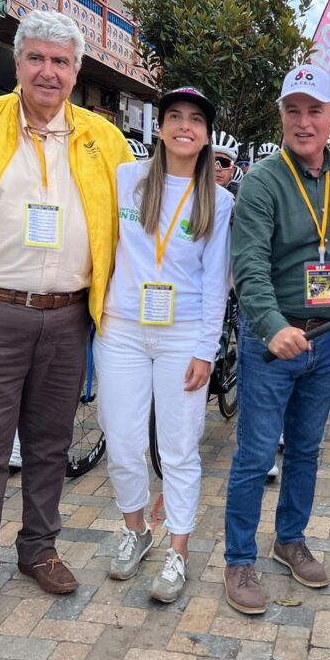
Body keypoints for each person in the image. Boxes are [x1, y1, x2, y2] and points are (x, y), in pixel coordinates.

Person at [0, 10, 131, 642]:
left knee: (49, 444)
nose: (48, 71)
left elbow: (135, 224)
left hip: (68, 317)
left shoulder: (104, 139)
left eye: (61, 61)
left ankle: (39, 548)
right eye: (36, 58)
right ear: (18, 62)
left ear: (76, 70)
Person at [223, 64, 330, 614]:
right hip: (272, 342)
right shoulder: (262, 181)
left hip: (324, 339)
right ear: (281, 116)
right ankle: (239, 559)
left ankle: (290, 540)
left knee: (305, 449)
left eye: (314, 110)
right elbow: (249, 265)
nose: (304, 122)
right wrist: (272, 326)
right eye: (293, 110)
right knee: (256, 455)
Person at [93, 87, 232, 602]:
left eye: (195, 119)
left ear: (206, 135)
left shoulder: (218, 200)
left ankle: (178, 550)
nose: (184, 126)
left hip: (182, 335)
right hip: (122, 330)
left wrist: (206, 349)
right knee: (122, 442)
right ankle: (136, 530)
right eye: (175, 116)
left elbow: (216, 281)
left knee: (178, 448)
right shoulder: (126, 179)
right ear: (160, 126)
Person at [212, 130, 242, 195]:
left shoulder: (241, 198)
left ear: (233, 170)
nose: (217, 168)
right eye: (211, 162)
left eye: (224, 163)